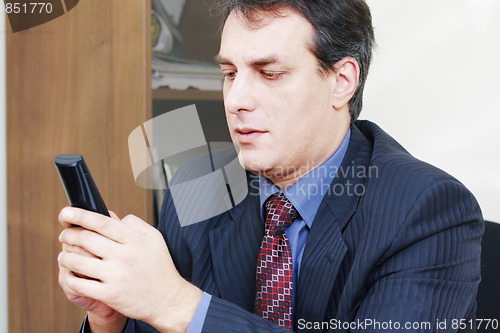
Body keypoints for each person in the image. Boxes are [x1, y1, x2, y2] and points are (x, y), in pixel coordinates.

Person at [57, 0, 484, 332]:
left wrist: (177, 304)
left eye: (269, 73)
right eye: (229, 73)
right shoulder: (199, 185)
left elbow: (177, 311)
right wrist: (110, 318)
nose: (236, 99)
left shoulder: (426, 209)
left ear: (341, 82)